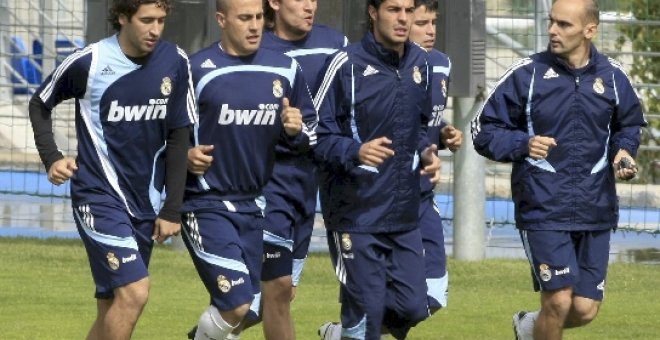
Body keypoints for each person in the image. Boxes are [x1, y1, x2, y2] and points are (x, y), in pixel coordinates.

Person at [470, 0, 646, 339]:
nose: (552, 30)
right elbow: (484, 130)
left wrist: (624, 152)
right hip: (543, 207)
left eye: (564, 24)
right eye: (552, 22)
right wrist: (523, 144)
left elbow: (629, 125)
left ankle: (529, 328)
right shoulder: (527, 74)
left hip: (596, 208)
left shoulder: (612, 76)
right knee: (558, 300)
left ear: (589, 30)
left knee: (584, 308)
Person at [28, 0, 194, 338]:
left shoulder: (176, 62)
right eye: (147, 20)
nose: (156, 29)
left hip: (145, 202)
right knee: (135, 293)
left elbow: (179, 139)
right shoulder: (89, 62)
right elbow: (40, 103)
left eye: (161, 20)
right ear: (122, 17)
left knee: (113, 307)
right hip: (97, 195)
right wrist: (52, 157)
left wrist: (172, 208)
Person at [318, 2, 461, 339]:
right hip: (357, 214)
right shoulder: (345, 64)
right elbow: (316, 135)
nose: (403, 18)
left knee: (415, 305)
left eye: (409, 10)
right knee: (368, 315)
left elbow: (420, 127)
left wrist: (432, 148)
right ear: (372, 11)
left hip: (403, 216)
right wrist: (356, 151)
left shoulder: (422, 65)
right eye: (394, 9)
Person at [181, 0, 317, 339]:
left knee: (257, 302)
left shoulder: (285, 69)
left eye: (258, 17)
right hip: (205, 202)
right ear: (221, 20)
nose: (254, 25)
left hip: (256, 206)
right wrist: (185, 154)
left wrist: (295, 130)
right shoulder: (197, 69)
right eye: (245, 18)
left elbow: (313, 130)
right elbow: (162, 134)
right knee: (238, 302)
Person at [256, 0, 348, 338]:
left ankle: (212, 329)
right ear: (275, 3)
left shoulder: (336, 45)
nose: (310, 6)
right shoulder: (257, 47)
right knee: (276, 289)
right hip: (267, 181)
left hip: (310, 181)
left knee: (279, 293)